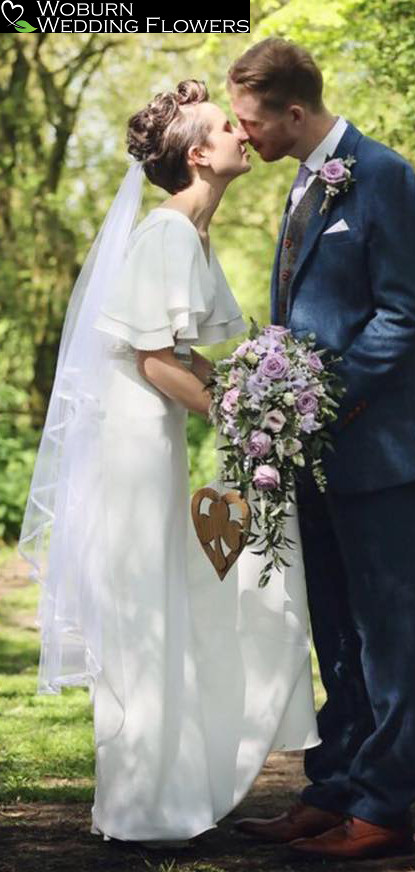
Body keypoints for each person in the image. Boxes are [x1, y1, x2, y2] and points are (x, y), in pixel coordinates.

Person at [17, 79, 321, 847]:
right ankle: (142, 807)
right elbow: (155, 359)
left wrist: (251, 399)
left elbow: (181, 355)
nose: (242, 132)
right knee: (147, 609)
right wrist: (242, 418)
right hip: (132, 447)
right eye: (227, 126)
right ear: (198, 153)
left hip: (153, 439)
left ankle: (164, 793)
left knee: (169, 602)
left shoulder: (190, 232)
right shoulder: (166, 235)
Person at [227, 38, 415, 860]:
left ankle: (385, 809)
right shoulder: (301, 177)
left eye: (251, 122)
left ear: (295, 112)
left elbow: (403, 313)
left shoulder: (386, 176)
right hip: (311, 447)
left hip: (378, 444)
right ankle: (334, 788)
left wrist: (320, 404)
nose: (242, 134)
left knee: (385, 630)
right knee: (331, 625)